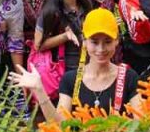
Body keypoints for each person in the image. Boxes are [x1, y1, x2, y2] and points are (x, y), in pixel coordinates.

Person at [9, 8, 141, 121]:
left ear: (116, 41)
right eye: (94, 42)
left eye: (107, 42)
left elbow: (141, 122)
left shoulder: (129, 77)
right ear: (84, 41)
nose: (101, 49)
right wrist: (39, 90)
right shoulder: (70, 79)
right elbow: (60, 125)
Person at [34, 0, 94, 78]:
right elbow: (38, 45)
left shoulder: (88, 3)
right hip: (65, 74)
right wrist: (65, 36)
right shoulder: (50, 12)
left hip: (90, 70)